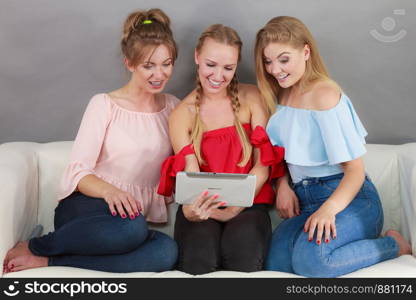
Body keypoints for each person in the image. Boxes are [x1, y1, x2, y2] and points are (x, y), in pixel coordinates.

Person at [3, 8, 180, 274]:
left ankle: (50, 261)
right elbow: (79, 171)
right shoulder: (104, 104)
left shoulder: (174, 108)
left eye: (166, 64)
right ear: (129, 64)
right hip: (86, 208)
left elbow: (184, 160)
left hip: (125, 220)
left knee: (166, 252)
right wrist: (111, 192)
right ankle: (38, 246)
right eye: (148, 65)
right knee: (132, 227)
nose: (159, 74)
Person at [254, 16, 412, 277]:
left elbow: (355, 171)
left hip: (349, 201)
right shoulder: (281, 92)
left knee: (312, 263)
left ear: (306, 52)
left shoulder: (325, 94)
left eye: (284, 59)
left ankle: (394, 245)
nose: (275, 69)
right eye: (268, 61)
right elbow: (281, 154)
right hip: (306, 201)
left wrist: (328, 210)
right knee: (276, 264)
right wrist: (282, 185)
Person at [157, 24, 285, 275]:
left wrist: (236, 207)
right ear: (197, 57)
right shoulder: (182, 114)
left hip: (249, 203)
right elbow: (190, 173)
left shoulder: (252, 98)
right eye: (211, 65)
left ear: (237, 65)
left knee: (243, 255)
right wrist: (192, 211)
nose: (218, 76)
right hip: (201, 204)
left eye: (228, 68)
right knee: (199, 258)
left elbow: (263, 164)